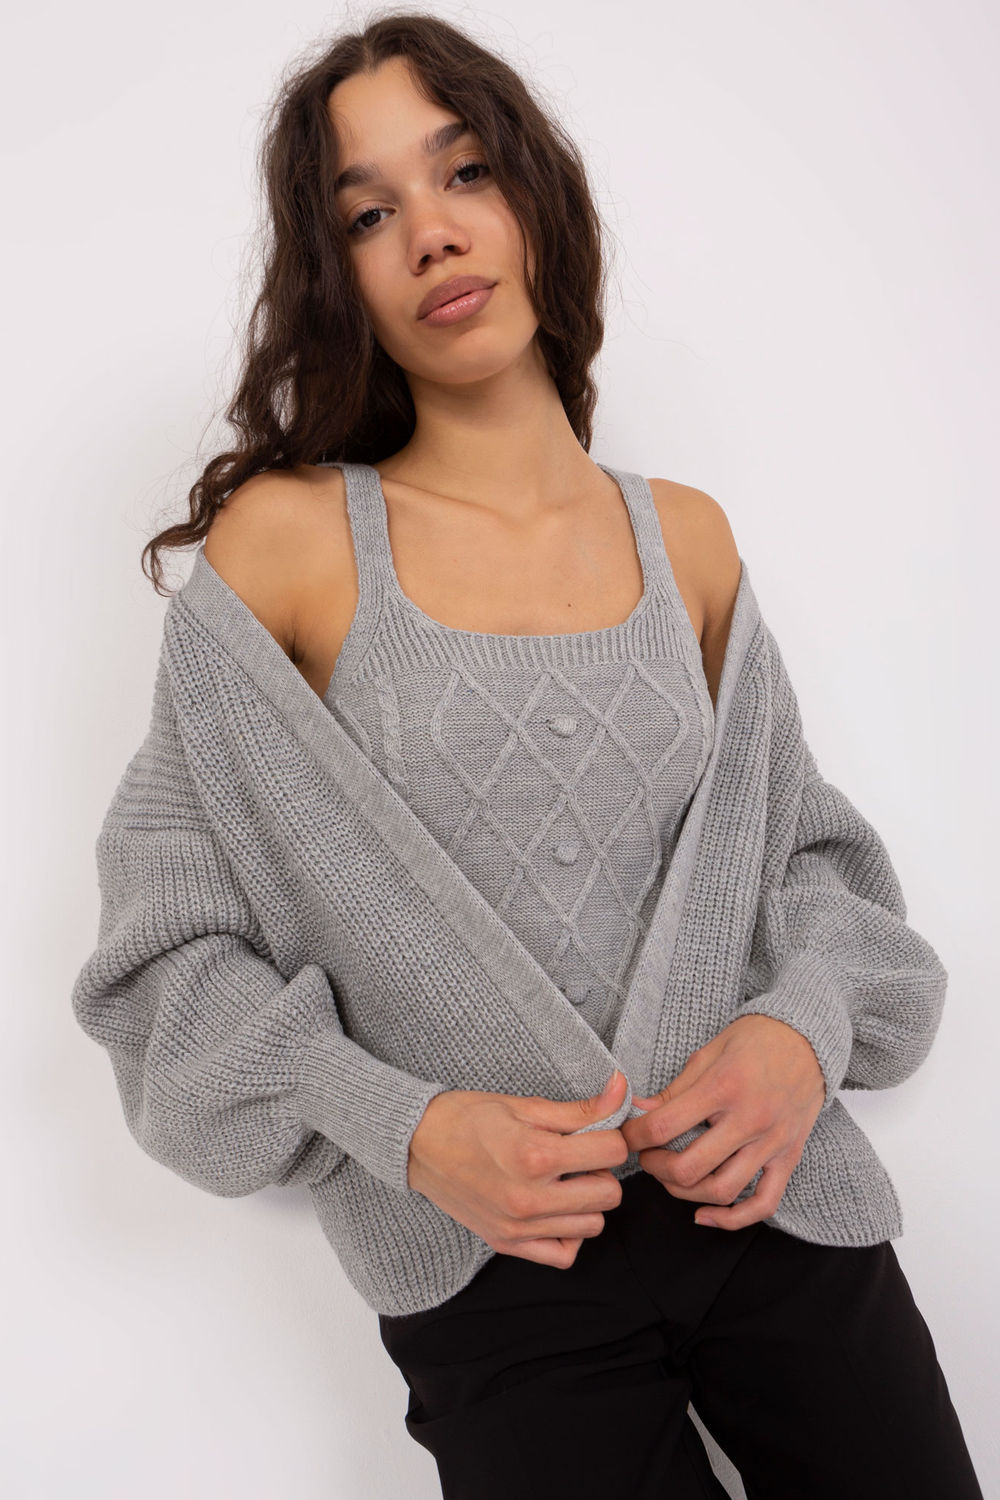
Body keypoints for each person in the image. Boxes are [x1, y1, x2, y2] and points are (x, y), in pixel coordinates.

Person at [71, 12, 983, 1498]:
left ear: (536, 198)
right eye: (369, 214)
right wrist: (410, 1129)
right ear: (338, 276)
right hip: (496, 1276)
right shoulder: (288, 548)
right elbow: (164, 958)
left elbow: (809, 860)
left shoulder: (687, 538)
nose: (431, 233)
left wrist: (801, 1033)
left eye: (465, 173)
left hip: (776, 1213)